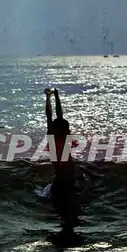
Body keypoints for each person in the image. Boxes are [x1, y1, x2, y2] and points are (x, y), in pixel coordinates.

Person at [44, 88, 81, 237]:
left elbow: (50, 115)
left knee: (63, 213)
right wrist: (57, 95)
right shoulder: (66, 137)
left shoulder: (52, 139)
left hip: (61, 180)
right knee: (71, 214)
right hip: (69, 178)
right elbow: (58, 115)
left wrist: (48, 97)